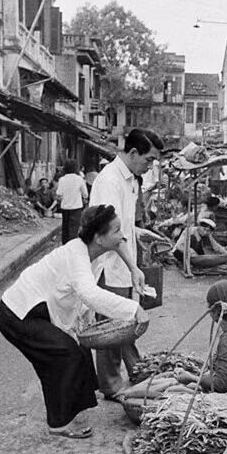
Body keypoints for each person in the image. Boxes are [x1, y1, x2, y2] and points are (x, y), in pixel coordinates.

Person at [0, 205, 150, 438]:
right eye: (117, 231)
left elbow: (79, 292)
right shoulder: (77, 256)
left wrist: (133, 269)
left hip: (34, 310)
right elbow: (91, 294)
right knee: (66, 356)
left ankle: (66, 411)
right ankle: (59, 423)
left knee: (69, 354)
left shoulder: (89, 250)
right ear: (98, 238)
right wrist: (133, 309)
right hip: (17, 314)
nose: (122, 236)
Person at [89, 128, 164, 399]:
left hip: (123, 259)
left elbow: (123, 224)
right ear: (133, 153)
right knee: (113, 326)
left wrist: (140, 233)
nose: (150, 165)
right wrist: (134, 268)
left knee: (125, 321)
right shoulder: (110, 181)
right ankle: (111, 385)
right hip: (110, 264)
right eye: (149, 160)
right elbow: (110, 233)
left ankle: (137, 372)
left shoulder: (131, 179)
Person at [55, 159, 88, 244]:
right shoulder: (79, 179)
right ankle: (72, 245)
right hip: (76, 207)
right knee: (74, 228)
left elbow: (59, 194)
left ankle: (65, 245)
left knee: (65, 228)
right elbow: (85, 194)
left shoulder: (62, 179)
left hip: (65, 207)